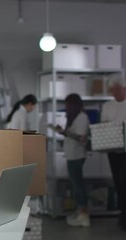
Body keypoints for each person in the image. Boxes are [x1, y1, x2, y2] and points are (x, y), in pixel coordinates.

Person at [52, 93, 90, 227]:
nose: (66, 107)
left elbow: (80, 137)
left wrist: (64, 132)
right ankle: (81, 211)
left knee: (78, 184)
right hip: (72, 155)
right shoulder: (74, 117)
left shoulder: (82, 117)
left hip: (76, 155)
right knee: (76, 184)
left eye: (68, 105)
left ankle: (84, 214)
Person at [101, 80, 126, 229]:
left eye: (117, 90)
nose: (114, 93)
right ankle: (123, 213)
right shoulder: (107, 106)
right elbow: (103, 125)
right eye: (112, 91)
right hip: (113, 150)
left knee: (124, 181)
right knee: (118, 181)